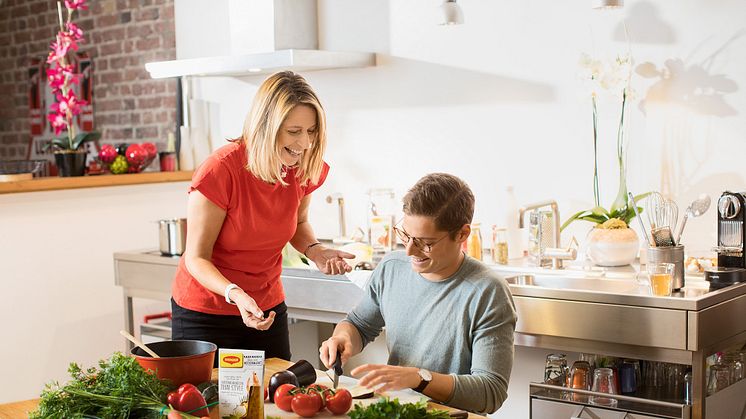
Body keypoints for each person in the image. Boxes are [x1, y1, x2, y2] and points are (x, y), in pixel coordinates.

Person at [172, 71, 354, 362]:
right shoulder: (221, 170)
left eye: (311, 130)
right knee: (211, 405)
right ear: (266, 126)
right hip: (207, 313)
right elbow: (196, 258)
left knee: (275, 395)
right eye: (294, 131)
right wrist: (236, 294)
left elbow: (299, 223)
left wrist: (315, 250)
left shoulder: (303, 166)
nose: (305, 143)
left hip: (266, 308)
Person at [319, 173, 517, 414]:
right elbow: (359, 324)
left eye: (425, 242)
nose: (410, 250)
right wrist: (343, 338)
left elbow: (490, 393)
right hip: (396, 410)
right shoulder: (392, 267)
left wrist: (419, 378)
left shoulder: (488, 292)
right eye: (405, 235)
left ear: (463, 234)